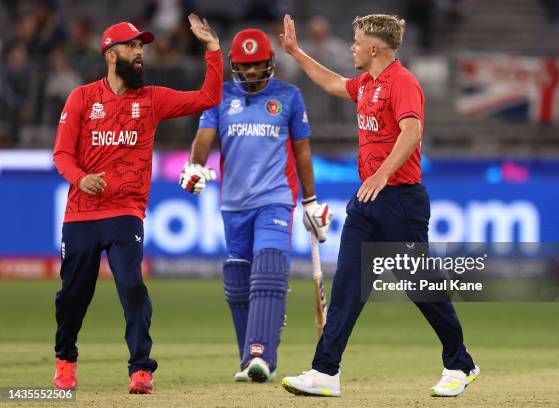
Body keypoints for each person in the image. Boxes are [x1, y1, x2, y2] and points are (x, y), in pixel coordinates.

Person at [278, 14, 479, 397]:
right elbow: (334, 83)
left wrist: (383, 173)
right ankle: (325, 372)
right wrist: (297, 53)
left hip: (401, 201)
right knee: (348, 287)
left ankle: (460, 363)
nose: (351, 47)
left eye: (356, 41)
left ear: (374, 48)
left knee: (421, 287)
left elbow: (413, 131)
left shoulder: (403, 82)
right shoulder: (368, 83)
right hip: (367, 201)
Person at [52, 14, 222, 394]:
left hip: (126, 211)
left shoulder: (151, 99)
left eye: (141, 45)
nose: (139, 51)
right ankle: (65, 361)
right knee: (73, 294)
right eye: (131, 46)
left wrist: (212, 49)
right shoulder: (81, 98)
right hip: (81, 213)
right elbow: (61, 155)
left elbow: (208, 98)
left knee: (131, 285)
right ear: (111, 55)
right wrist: (81, 178)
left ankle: (141, 370)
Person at [179, 28, 331, 383]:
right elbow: (203, 139)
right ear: (235, 65)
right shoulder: (219, 97)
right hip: (233, 203)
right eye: (244, 66)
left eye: (256, 65)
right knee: (237, 280)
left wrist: (309, 200)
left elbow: (303, 152)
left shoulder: (289, 97)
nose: (250, 72)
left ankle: (261, 354)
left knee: (268, 271)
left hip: (275, 199)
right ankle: (251, 359)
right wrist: (194, 167)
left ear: (269, 63)